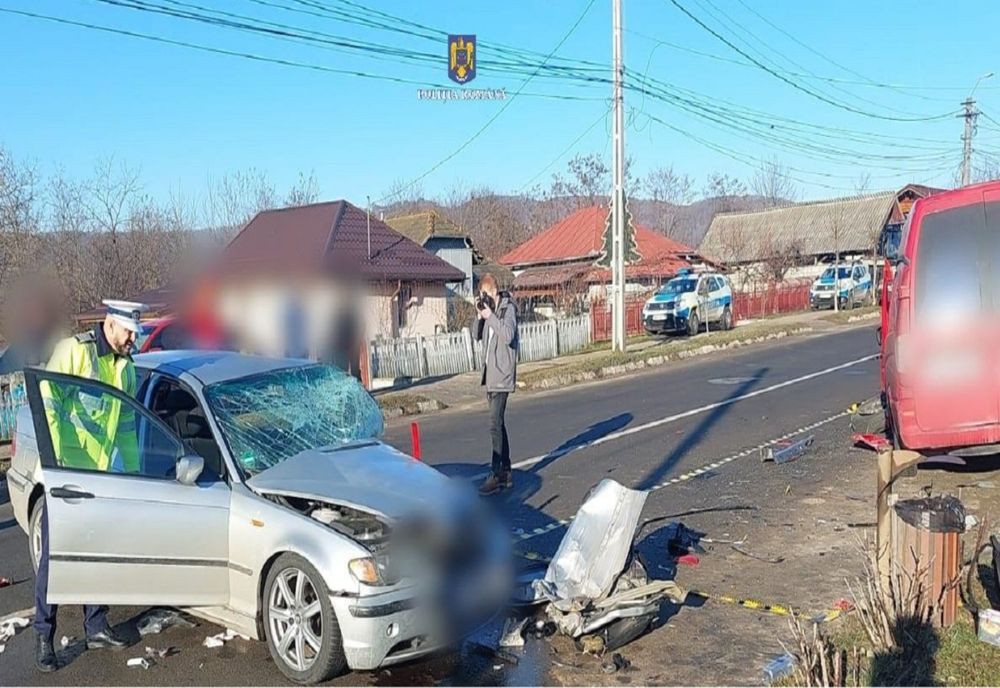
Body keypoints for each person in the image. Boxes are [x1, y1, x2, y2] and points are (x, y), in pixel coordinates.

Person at [33, 300, 146, 672]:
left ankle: (96, 626)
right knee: (56, 559)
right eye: (128, 332)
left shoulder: (126, 368)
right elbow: (48, 404)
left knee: (97, 553)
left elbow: (126, 425)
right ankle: (44, 637)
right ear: (110, 324)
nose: (133, 339)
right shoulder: (75, 351)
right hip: (65, 476)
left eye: (135, 333)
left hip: (100, 476)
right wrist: (56, 466)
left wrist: (132, 475)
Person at [474, 275, 519, 495]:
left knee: (494, 424)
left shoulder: (508, 308)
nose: (484, 299)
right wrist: (479, 316)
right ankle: (506, 471)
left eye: (485, 295)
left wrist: (490, 316)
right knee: (499, 424)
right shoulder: (488, 312)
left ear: (493, 292)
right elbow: (476, 336)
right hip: (490, 375)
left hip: (502, 375)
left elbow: (508, 335)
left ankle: (495, 473)